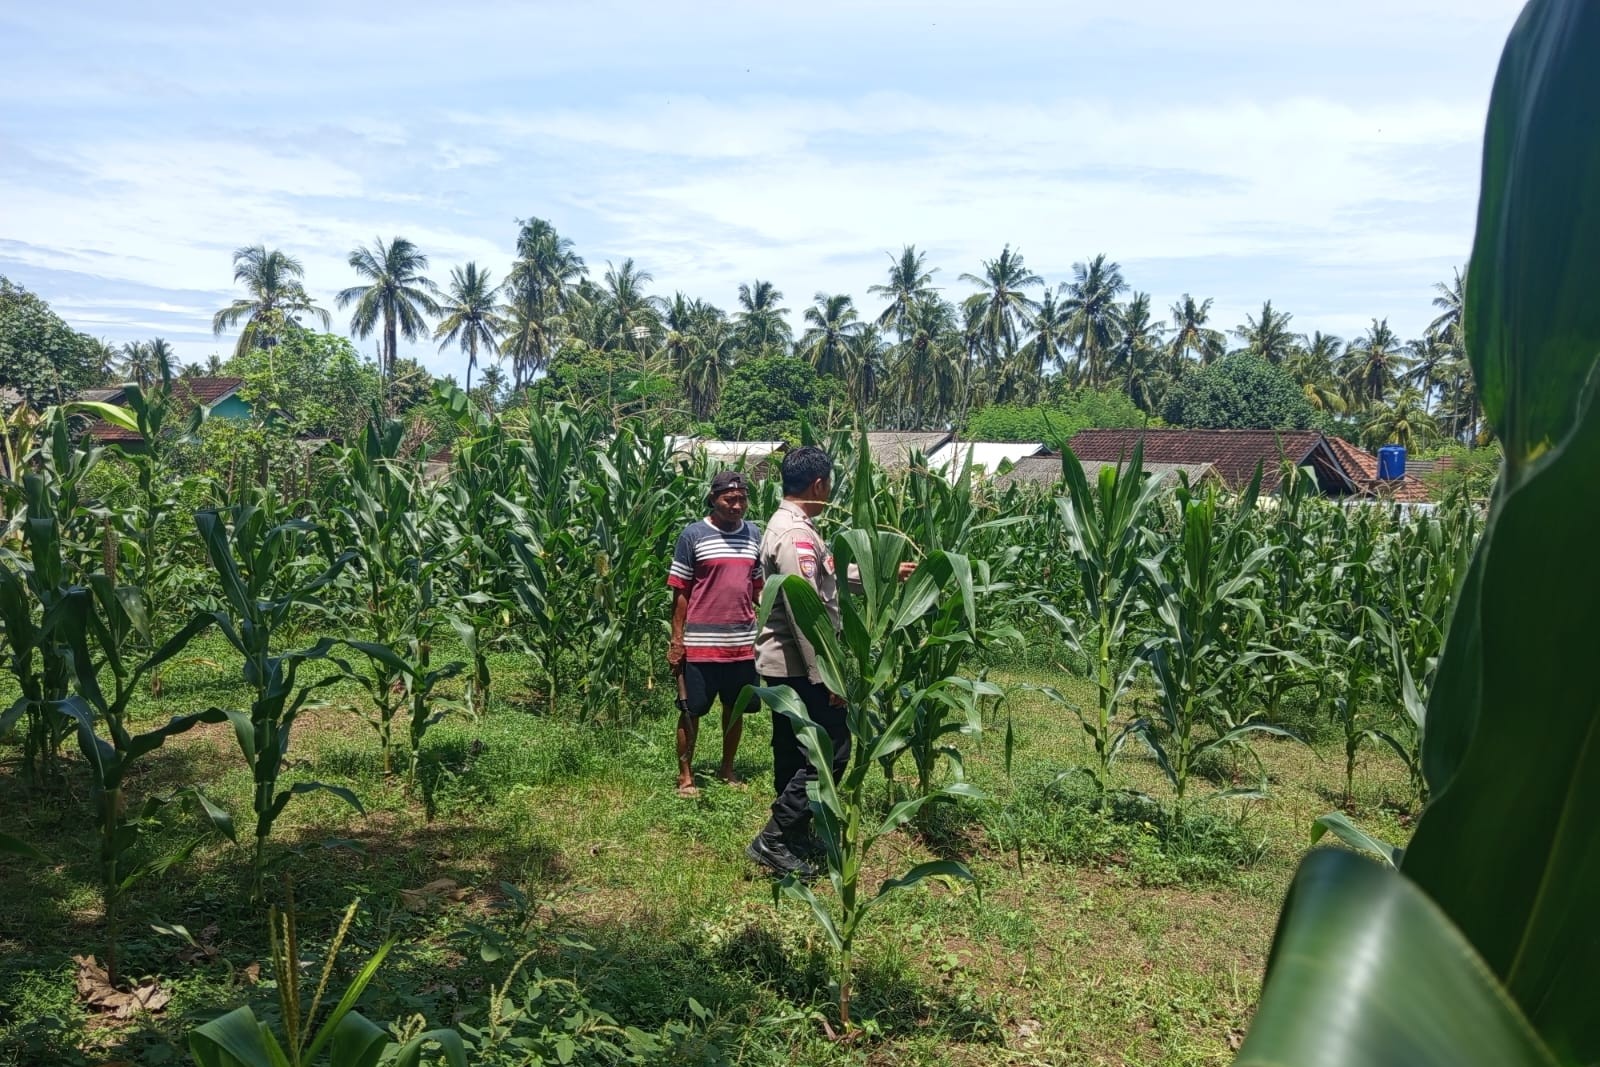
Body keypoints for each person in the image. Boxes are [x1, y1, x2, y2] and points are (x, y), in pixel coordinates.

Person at [746, 445, 913, 878]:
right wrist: (829, 677)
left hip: (786, 664)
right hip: (800, 665)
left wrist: (885, 573)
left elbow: (827, 578)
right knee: (831, 753)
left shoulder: (794, 527)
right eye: (830, 484)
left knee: (793, 747)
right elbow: (806, 610)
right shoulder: (796, 534)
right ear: (819, 485)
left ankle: (793, 831)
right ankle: (775, 838)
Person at [667, 470, 763, 797]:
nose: (737, 505)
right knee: (690, 710)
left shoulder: (754, 535)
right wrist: (676, 640)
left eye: (742, 499)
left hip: (742, 645)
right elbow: (680, 591)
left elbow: (758, 587)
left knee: (735, 711)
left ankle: (727, 768)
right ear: (713, 499)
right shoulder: (693, 535)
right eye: (729, 499)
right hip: (701, 645)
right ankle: (685, 776)